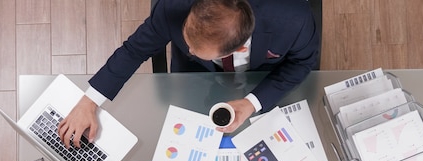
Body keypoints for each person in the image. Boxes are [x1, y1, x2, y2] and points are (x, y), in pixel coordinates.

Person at [58, 0, 319, 148]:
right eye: (187, 41)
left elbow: (301, 63)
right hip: (195, 77)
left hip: (267, 80)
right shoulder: (173, 7)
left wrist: (252, 103)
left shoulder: (292, 19)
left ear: (238, 48)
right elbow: (134, 50)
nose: (188, 49)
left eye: (195, 48)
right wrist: (88, 101)